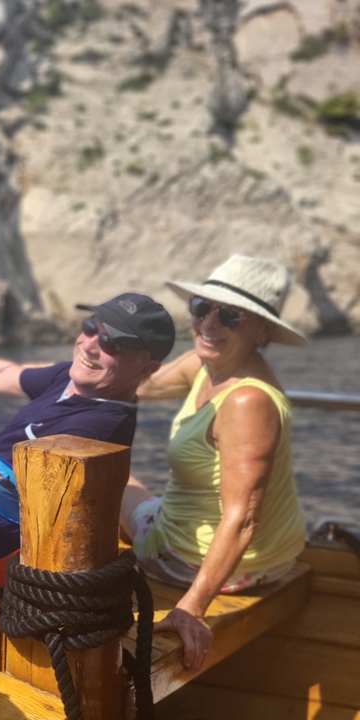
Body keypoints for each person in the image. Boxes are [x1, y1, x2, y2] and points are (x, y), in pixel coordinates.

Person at [122, 255, 307, 674]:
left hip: (206, 562)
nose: (209, 323)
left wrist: (191, 608)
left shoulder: (247, 401)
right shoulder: (207, 365)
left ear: (263, 331)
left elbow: (243, 519)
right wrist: (102, 350)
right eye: (202, 307)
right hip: (268, 553)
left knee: (109, 478)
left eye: (231, 316)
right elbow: (140, 385)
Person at [0, 293, 177, 492]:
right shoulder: (72, 379)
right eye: (90, 328)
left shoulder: (91, 433)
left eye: (110, 343)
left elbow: (5, 504)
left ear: (148, 368)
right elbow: (5, 376)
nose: (88, 346)